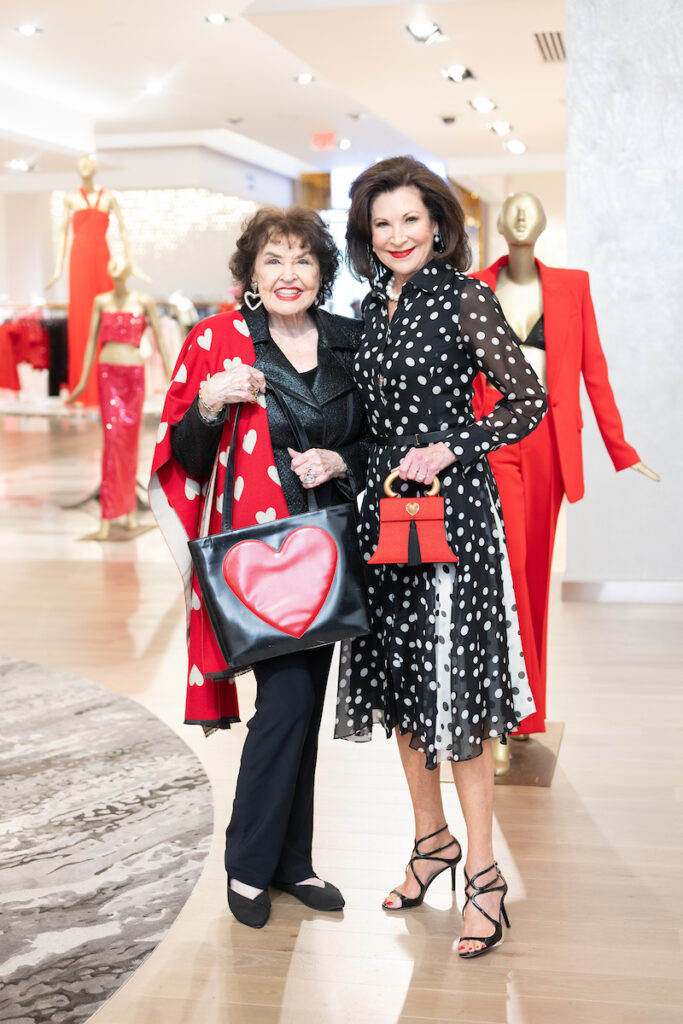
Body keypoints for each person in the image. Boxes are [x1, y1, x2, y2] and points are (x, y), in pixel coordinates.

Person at [337, 156, 547, 957]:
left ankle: (487, 878)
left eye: (410, 220)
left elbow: (529, 401)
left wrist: (450, 446)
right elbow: (366, 424)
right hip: (383, 519)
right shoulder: (370, 309)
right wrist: (343, 465)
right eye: (381, 223)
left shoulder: (465, 295)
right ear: (368, 232)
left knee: (452, 696)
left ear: (437, 223)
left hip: (452, 524)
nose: (396, 235)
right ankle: (432, 844)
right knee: (400, 690)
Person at [148, 206, 367, 929]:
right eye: (273, 260)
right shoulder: (218, 342)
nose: (288, 274)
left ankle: (290, 861)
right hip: (259, 560)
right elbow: (182, 459)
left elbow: (380, 437)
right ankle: (249, 864)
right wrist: (209, 402)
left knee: (302, 709)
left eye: (302, 260)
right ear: (250, 272)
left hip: (330, 552)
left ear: (321, 273)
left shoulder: (347, 341)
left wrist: (342, 460)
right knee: (288, 704)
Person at [471, 192, 659, 759]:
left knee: (532, 575)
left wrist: (619, 448)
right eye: (513, 207)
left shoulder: (572, 285)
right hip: (493, 439)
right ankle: (501, 706)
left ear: (545, 220)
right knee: (504, 567)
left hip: (550, 444)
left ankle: (527, 714)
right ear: (499, 223)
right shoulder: (475, 284)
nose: (523, 215)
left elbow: (591, 368)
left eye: (532, 207)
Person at [67, 257, 171, 540]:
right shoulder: (101, 301)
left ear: (127, 275)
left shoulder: (144, 301)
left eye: (120, 275)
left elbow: (161, 341)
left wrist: (175, 376)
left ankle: (126, 511)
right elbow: (91, 341)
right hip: (108, 376)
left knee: (129, 442)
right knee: (112, 441)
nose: (116, 279)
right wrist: (80, 383)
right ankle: (108, 513)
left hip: (133, 377)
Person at [46, 153, 148, 407]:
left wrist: (131, 264)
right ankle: (83, 389)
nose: (85, 165)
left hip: (102, 259)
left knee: (104, 321)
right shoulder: (70, 198)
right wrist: (57, 270)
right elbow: (62, 234)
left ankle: (107, 384)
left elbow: (123, 231)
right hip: (78, 260)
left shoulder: (109, 197)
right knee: (80, 320)